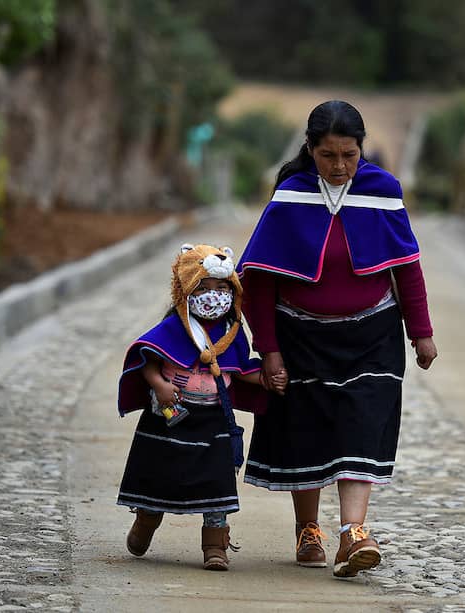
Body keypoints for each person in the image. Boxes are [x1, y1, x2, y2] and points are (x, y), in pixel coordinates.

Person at [237, 100, 438, 578]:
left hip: (372, 333)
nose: (340, 166)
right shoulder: (291, 194)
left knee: (362, 422)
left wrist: (421, 332)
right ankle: (309, 529)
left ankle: (353, 532)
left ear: (361, 148)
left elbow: (407, 267)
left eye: (349, 154)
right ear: (310, 149)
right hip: (300, 334)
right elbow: (259, 281)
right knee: (304, 429)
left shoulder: (383, 191)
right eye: (328, 155)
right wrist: (269, 350)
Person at [115, 243, 285, 571]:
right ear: (186, 290)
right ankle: (146, 521)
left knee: (217, 484)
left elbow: (238, 370)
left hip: (213, 421)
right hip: (169, 420)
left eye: (222, 288)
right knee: (158, 478)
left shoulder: (231, 333)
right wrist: (160, 385)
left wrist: (266, 379)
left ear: (233, 291)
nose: (213, 296)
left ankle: (215, 547)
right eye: (204, 288)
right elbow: (148, 360)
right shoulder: (173, 327)